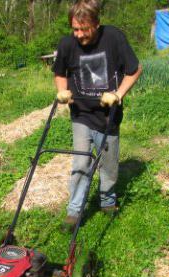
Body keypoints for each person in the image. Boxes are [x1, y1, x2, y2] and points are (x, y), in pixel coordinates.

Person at [52, 0, 142, 230]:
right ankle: (74, 212)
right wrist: (61, 91)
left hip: (107, 115)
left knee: (108, 164)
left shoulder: (113, 38)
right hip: (81, 113)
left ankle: (107, 202)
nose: (79, 34)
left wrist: (118, 94)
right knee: (81, 161)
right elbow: (60, 72)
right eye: (75, 29)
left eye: (84, 29)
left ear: (97, 24)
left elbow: (134, 69)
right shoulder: (66, 44)